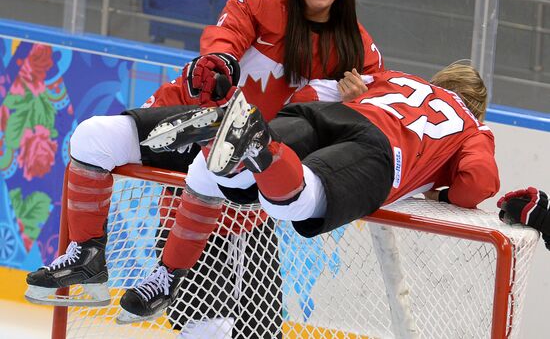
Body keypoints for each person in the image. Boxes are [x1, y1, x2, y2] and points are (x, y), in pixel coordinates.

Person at [24, 0, 385, 335]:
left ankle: (171, 275)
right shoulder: (263, 3)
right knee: (92, 138)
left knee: (251, 327)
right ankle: (88, 256)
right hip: (194, 121)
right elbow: (225, 38)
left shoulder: (357, 44)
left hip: (250, 164)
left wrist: (357, 100)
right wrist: (218, 61)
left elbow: (378, 99)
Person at [168, 61, 500, 239]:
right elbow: (477, 181)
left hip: (332, 113)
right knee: (293, 202)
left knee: (239, 183)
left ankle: (241, 135)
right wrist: (442, 197)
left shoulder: (398, 77)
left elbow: (310, 95)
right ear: (479, 109)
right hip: (382, 151)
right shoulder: (473, 127)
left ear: (438, 79)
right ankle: (262, 147)